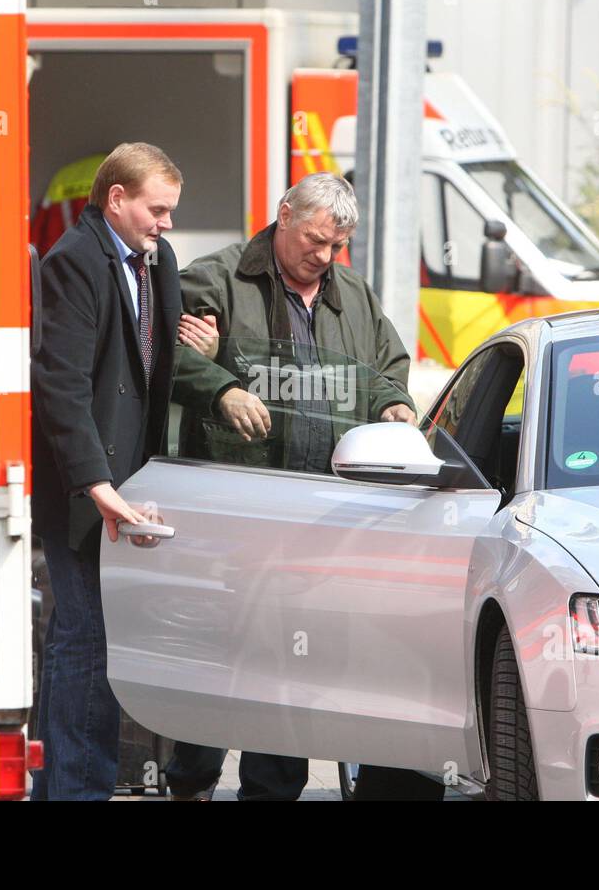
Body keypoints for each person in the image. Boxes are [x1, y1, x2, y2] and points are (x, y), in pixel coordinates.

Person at [164, 171, 418, 801]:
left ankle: (270, 792)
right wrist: (222, 382)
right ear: (283, 215)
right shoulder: (216, 277)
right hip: (240, 510)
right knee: (229, 656)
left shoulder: (353, 295)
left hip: (325, 515)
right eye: (314, 241)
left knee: (293, 663)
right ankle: (190, 780)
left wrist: (392, 407)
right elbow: (164, 358)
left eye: (337, 247)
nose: (324, 258)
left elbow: (385, 366)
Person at [30, 142, 182, 801]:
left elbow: (153, 365)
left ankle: (75, 782)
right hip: (87, 494)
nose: (168, 224)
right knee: (86, 643)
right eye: (158, 209)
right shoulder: (73, 262)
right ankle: (72, 788)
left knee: (100, 643)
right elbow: (60, 384)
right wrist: (98, 487)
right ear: (116, 199)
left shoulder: (158, 261)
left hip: (131, 488)